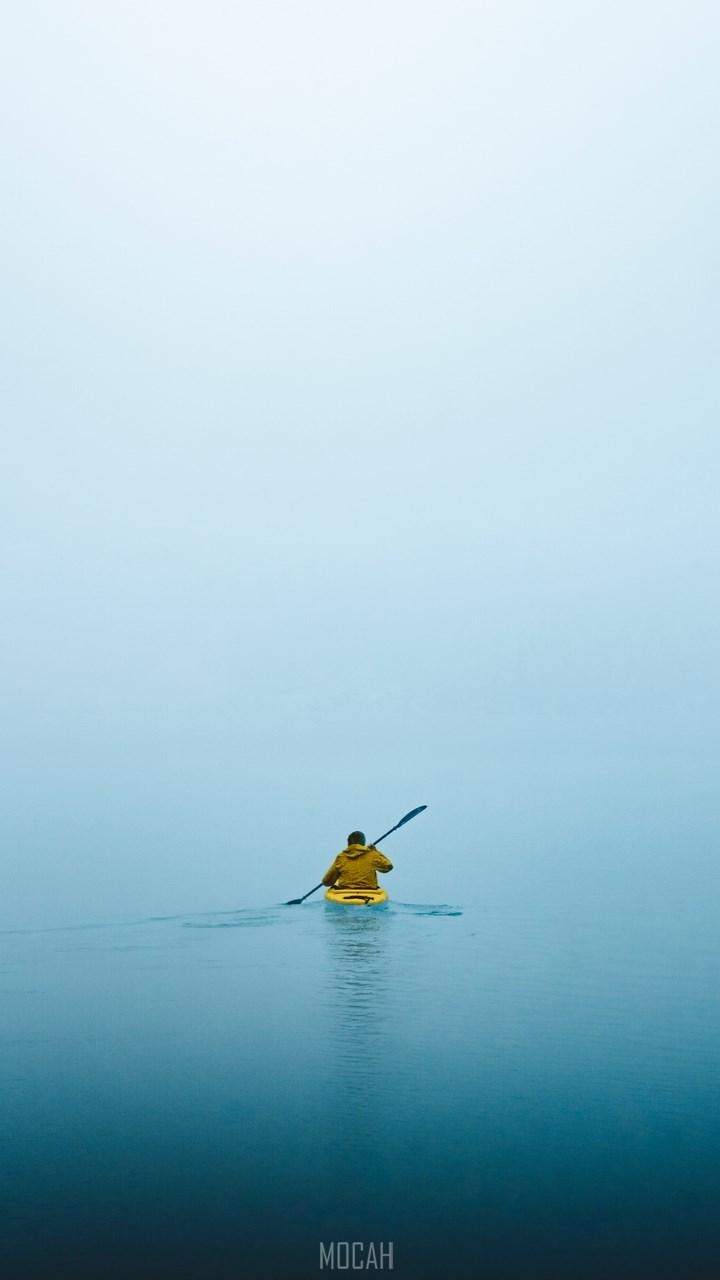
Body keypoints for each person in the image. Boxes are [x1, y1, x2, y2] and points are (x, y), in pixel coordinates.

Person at [322, 831, 393, 891]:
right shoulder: (372, 854)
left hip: (345, 893)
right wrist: (375, 851)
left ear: (348, 844)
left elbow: (327, 882)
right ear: (363, 844)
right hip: (369, 893)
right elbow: (388, 866)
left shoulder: (341, 857)